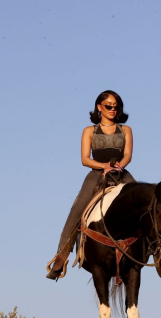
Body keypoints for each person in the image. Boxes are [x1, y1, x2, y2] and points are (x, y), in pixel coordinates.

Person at [46, 90, 136, 280]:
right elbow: (85, 159)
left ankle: (156, 252)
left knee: (143, 202)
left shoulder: (125, 129)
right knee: (77, 209)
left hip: (120, 172)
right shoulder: (89, 131)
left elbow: (127, 154)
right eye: (109, 106)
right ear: (99, 107)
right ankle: (60, 258)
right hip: (96, 173)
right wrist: (104, 166)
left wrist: (119, 166)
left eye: (116, 106)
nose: (113, 109)